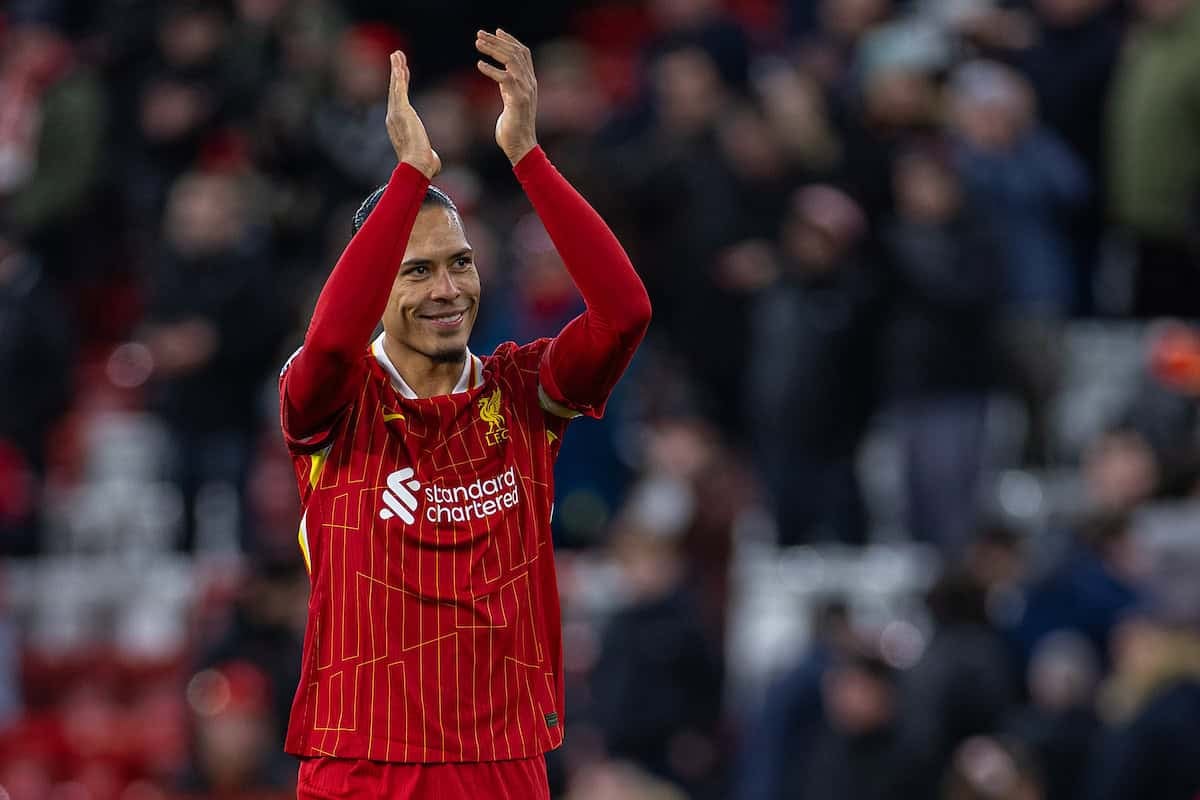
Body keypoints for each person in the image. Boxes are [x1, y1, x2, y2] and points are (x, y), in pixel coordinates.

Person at [277, 31, 651, 800]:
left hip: (502, 762)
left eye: (461, 262)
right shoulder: (334, 402)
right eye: (416, 270)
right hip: (362, 763)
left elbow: (624, 312)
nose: (448, 288)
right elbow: (331, 341)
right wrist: (412, 173)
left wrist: (528, 157)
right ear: (377, 282)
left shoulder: (523, 393)